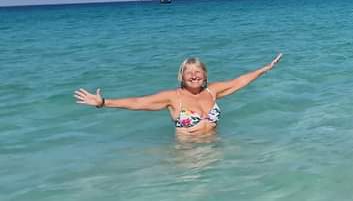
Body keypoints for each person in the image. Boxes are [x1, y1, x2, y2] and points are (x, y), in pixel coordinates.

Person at [74, 54, 283, 136]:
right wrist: (103, 102)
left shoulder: (213, 92)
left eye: (198, 71)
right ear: (181, 76)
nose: (193, 75)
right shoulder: (174, 98)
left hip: (217, 151)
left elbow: (239, 81)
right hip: (186, 158)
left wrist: (264, 69)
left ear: (205, 75)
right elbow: (139, 102)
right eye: (188, 72)